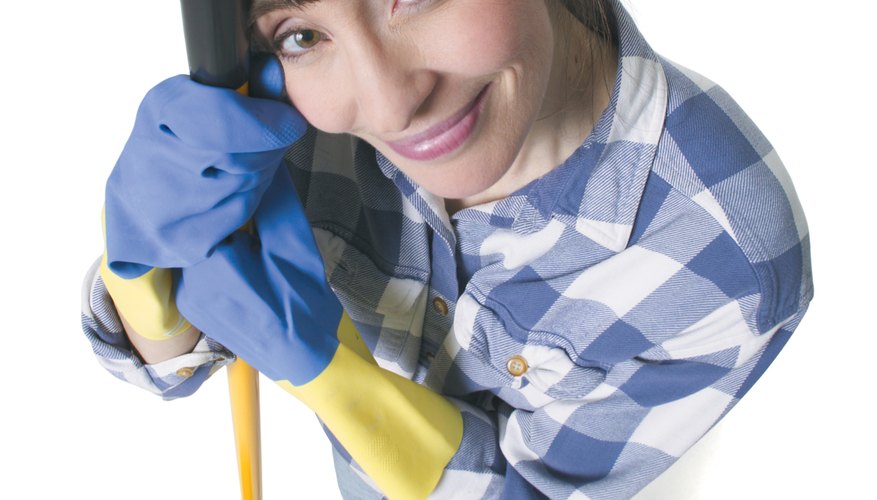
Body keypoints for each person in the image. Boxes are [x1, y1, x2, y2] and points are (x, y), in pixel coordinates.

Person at [81, 0, 813, 497]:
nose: (391, 101)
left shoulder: (724, 252)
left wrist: (339, 381)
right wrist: (143, 264)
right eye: (302, 33)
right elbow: (168, 373)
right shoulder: (286, 118)